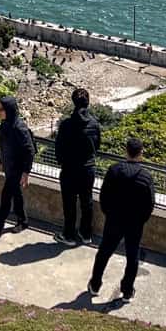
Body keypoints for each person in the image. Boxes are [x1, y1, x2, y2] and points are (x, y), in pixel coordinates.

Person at [88, 137, 155, 301]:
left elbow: (103, 196)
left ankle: (95, 284)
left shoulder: (114, 170)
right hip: (135, 223)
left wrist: (109, 214)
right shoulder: (145, 176)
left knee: (104, 252)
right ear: (141, 154)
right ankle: (127, 290)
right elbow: (150, 203)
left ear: (126, 151)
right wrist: (141, 220)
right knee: (132, 257)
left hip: (114, 219)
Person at [53, 87, 101, 246]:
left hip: (69, 169)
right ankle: (86, 234)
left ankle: (69, 235)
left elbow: (58, 147)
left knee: (69, 202)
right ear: (88, 102)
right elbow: (97, 145)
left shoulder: (66, 124)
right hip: (88, 168)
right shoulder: (94, 124)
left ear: (73, 102)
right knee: (87, 201)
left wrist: (62, 162)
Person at [0, 95, 34, 238]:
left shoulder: (19, 128)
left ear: (9, 110)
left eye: (1, 109)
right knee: (16, 194)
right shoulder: (5, 124)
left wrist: (26, 172)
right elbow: (3, 145)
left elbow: (29, 151)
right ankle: (23, 221)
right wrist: (1, 162)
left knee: (6, 197)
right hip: (9, 166)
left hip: (17, 168)